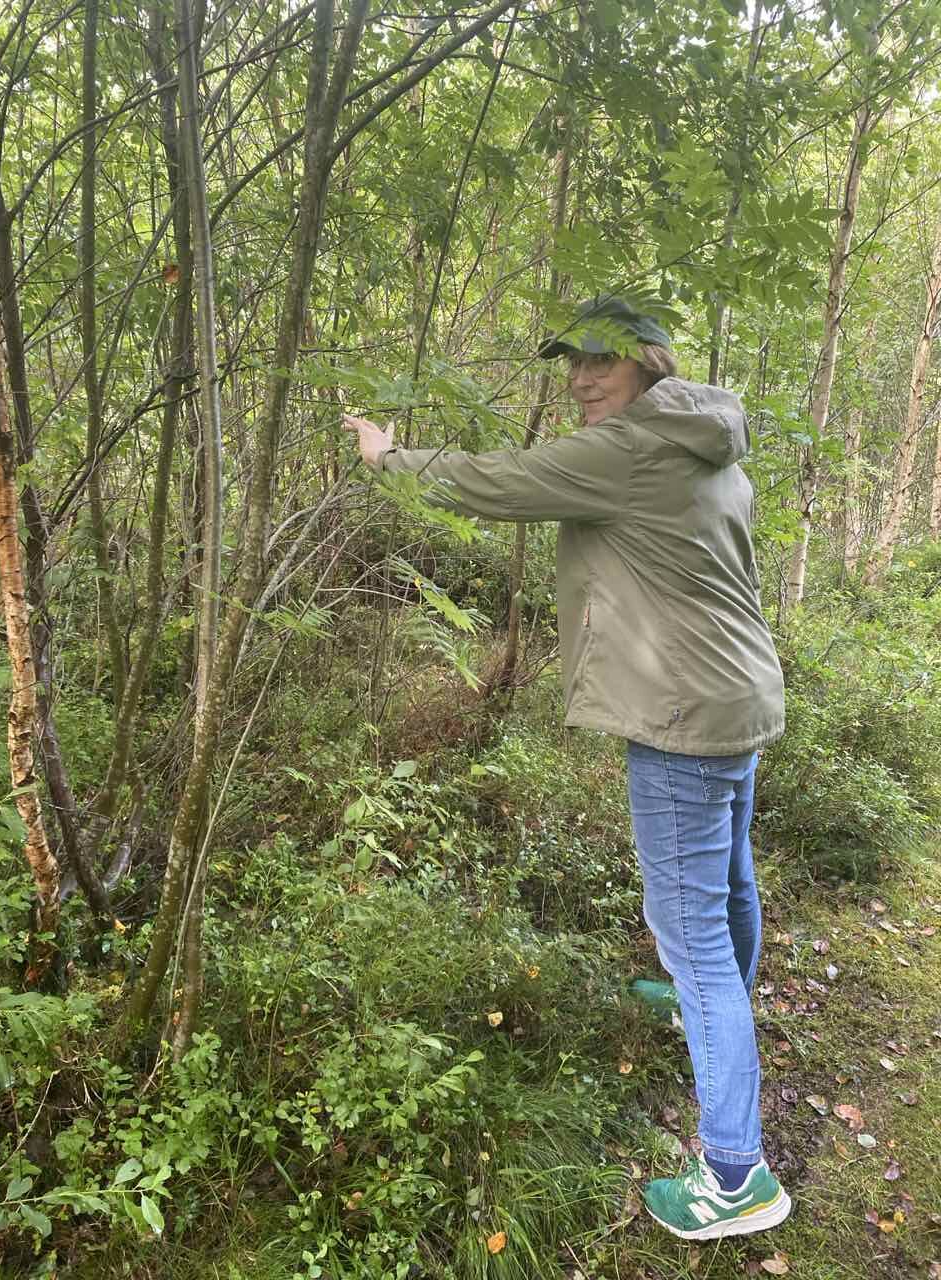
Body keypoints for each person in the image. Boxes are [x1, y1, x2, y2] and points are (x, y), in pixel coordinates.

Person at [343, 294, 789, 1242]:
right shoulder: (705, 436)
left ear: (649, 363)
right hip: (736, 698)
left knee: (691, 935)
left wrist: (388, 458)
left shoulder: (624, 449)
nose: (583, 379)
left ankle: (736, 1175)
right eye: (572, 363)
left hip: (678, 714)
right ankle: (722, 1022)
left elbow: (495, 480)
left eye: (603, 361)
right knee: (729, 886)